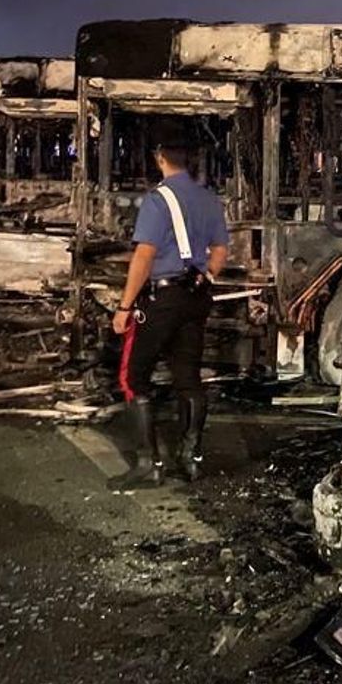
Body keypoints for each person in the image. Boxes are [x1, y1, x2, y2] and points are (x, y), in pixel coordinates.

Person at [110, 135, 229, 487]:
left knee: (132, 378)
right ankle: (190, 460)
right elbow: (220, 251)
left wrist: (124, 306)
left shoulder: (157, 200)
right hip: (196, 297)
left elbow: (144, 256)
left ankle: (149, 464)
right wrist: (204, 276)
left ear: (160, 157)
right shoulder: (209, 199)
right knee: (188, 378)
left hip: (161, 299)